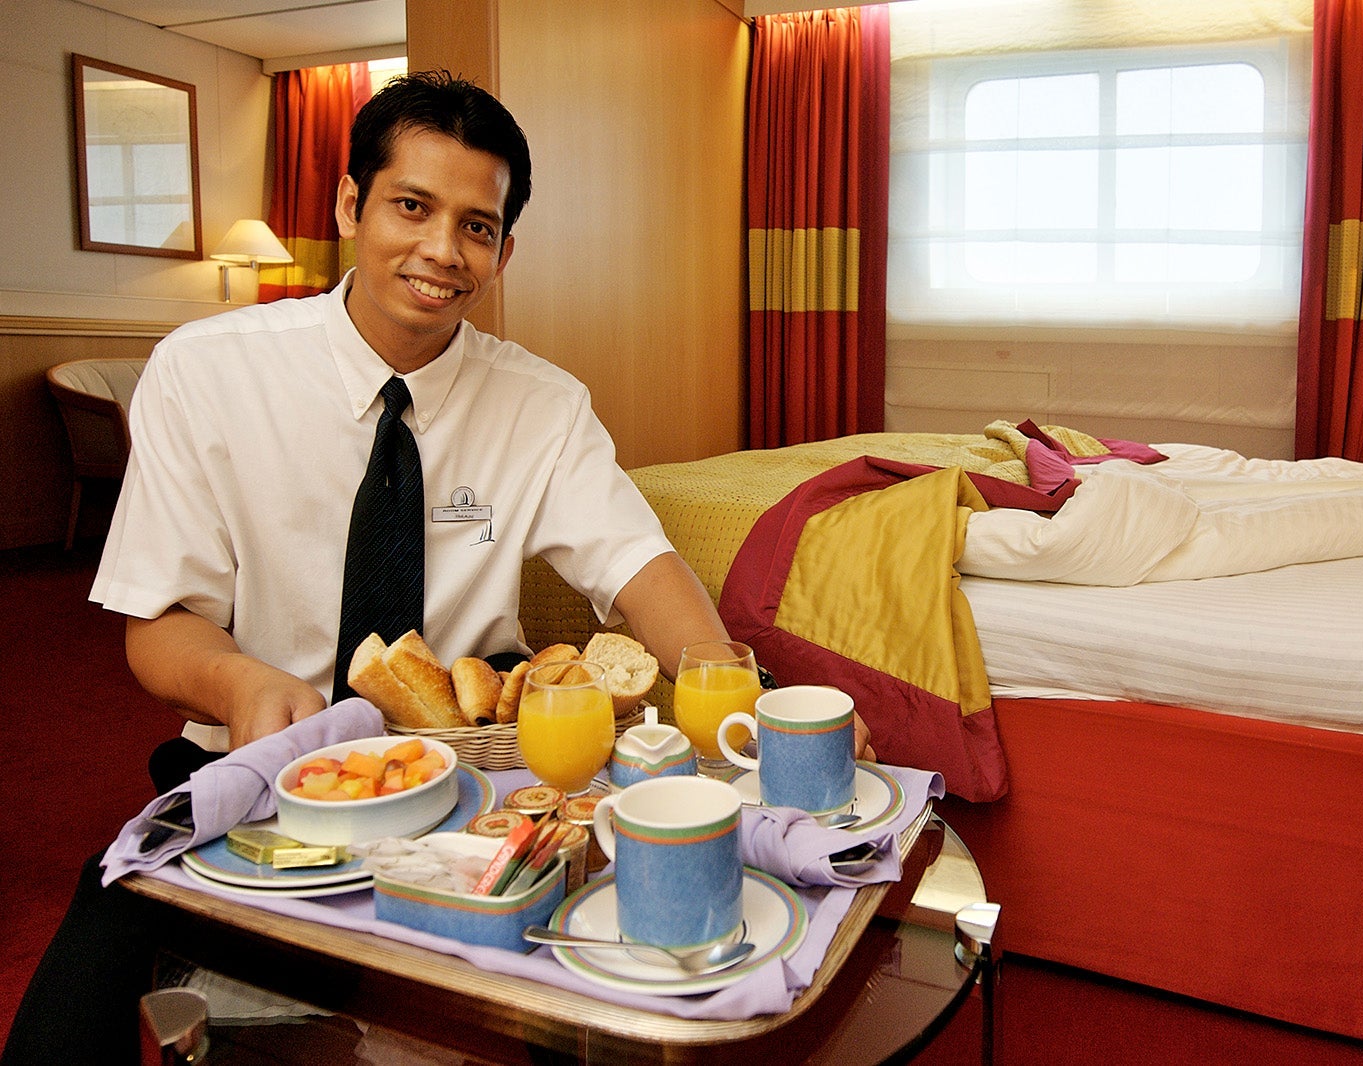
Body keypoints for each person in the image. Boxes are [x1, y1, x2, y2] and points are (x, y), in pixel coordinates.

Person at [3, 71, 867, 1064]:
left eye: (477, 225)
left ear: (505, 247)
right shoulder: (206, 371)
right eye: (411, 206)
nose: (440, 251)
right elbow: (158, 627)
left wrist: (727, 682)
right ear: (347, 203)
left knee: (601, 998)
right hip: (255, 764)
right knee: (74, 1005)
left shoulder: (542, 404)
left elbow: (641, 567)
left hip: (467, 778)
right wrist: (239, 679)